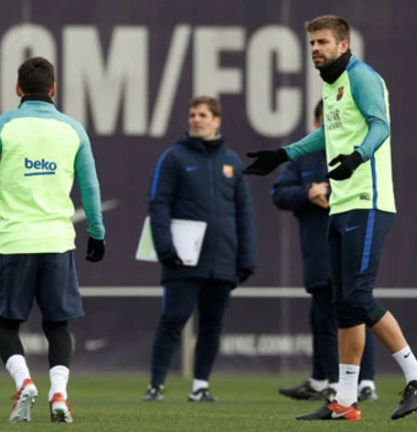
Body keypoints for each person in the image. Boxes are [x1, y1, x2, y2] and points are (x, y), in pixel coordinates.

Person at [243, 15, 417, 421]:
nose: (315, 49)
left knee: (358, 296)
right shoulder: (332, 83)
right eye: (311, 43)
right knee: (344, 305)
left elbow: (380, 126)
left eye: (322, 41)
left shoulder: (362, 77)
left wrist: (358, 156)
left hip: (368, 200)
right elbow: (328, 135)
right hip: (341, 205)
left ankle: (414, 374)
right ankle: (344, 400)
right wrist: (282, 154)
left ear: (344, 44)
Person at [0, 56, 106, 423]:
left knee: (6, 324)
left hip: (17, 241)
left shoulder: (4, 125)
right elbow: (90, 187)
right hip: (58, 242)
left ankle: (24, 384)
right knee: (58, 326)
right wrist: (97, 232)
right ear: (54, 89)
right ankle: (59, 395)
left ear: (18, 89)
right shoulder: (74, 130)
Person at [144, 96, 254, 403]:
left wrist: (246, 259)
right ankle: (156, 385)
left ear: (216, 120)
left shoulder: (233, 163)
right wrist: (165, 247)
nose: (196, 119)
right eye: (192, 114)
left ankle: (200, 386)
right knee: (173, 319)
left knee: (212, 325)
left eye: (203, 115)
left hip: (222, 260)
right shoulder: (174, 158)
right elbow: (159, 204)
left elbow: (244, 213)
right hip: (182, 258)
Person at [273, 100, 379, 403]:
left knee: (357, 310)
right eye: (325, 120)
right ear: (316, 123)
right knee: (322, 317)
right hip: (318, 252)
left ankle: (362, 382)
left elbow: (371, 190)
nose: (330, 126)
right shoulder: (302, 157)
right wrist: (308, 192)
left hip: (352, 245)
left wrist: (330, 192)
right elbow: (278, 193)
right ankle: (326, 381)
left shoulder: (358, 152)